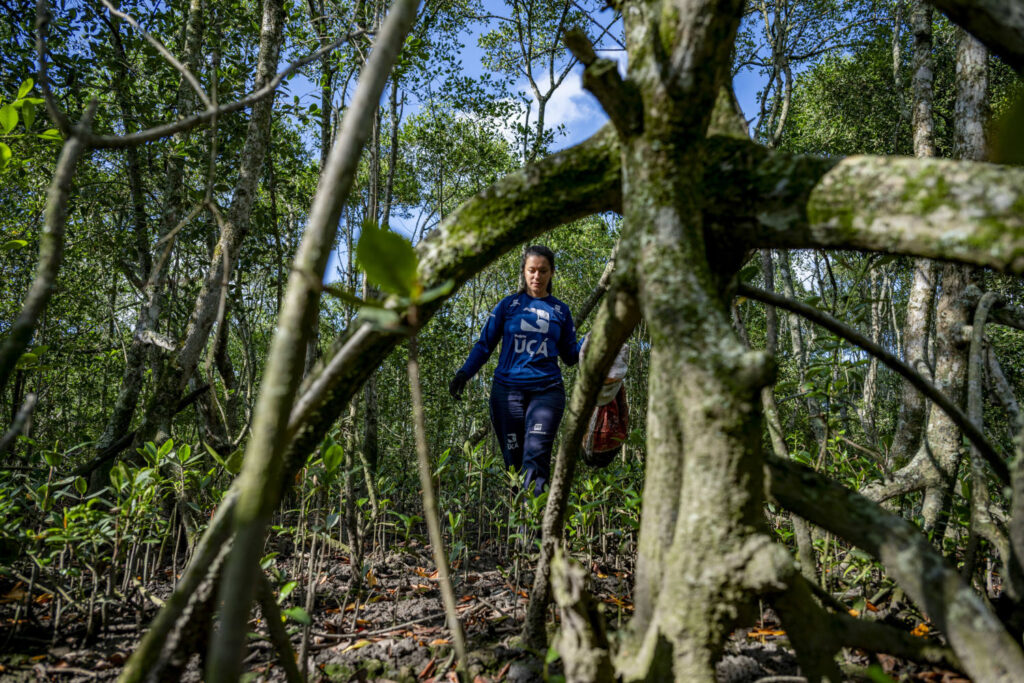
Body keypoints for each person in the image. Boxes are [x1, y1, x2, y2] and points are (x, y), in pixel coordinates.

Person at [449, 245, 581, 495]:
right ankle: (518, 527)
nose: (537, 276)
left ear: (551, 273)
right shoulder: (508, 306)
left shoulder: (561, 311)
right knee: (515, 465)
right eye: (531, 270)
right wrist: (464, 373)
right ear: (524, 272)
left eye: (543, 271)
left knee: (536, 459)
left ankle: (532, 532)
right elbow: (484, 344)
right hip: (507, 393)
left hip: (547, 391)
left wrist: (592, 342)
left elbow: (571, 356)